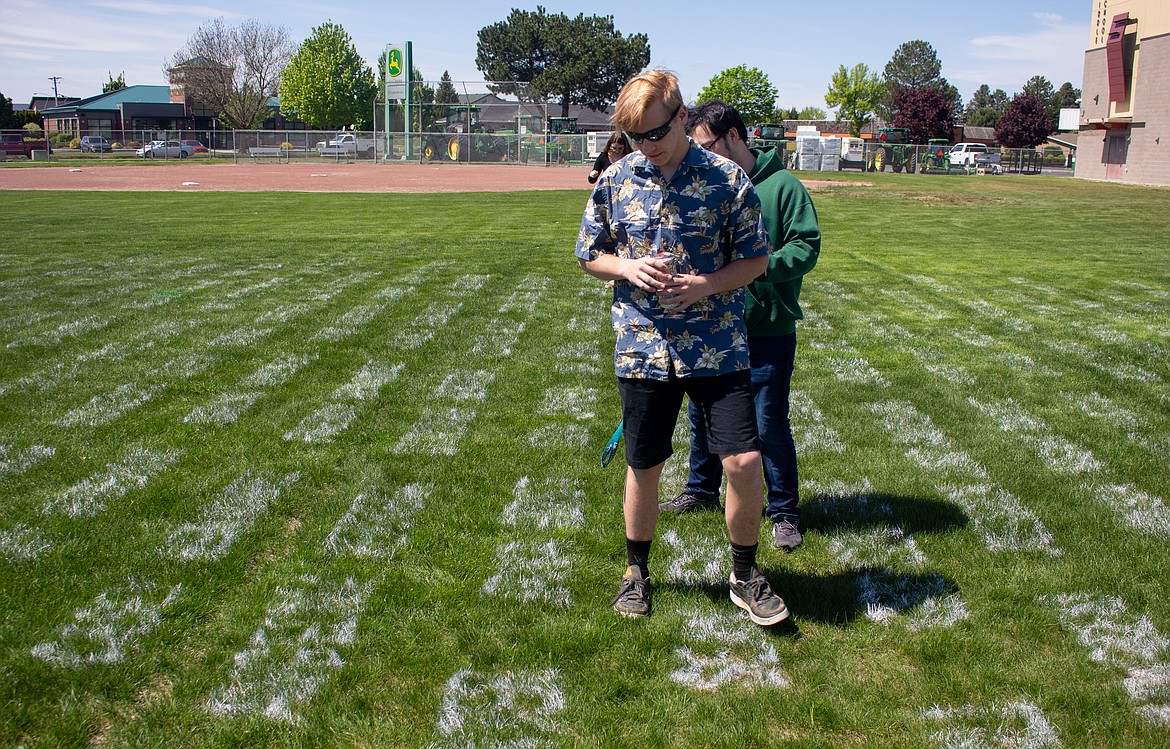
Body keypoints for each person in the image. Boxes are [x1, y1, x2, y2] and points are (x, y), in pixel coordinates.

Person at [575, 70, 789, 626]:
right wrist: (627, 266)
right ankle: (635, 574)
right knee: (644, 465)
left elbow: (757, 259)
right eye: (635, 137)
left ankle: (745, 574)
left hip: (716, 346)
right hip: (644, 347)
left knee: (743, 461)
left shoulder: (726, 180)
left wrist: (706, 284)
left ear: (681, 117)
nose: (646, 146)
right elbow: (588, 254)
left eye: (654, 134)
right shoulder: (618, 179)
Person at [660, 100, 821, 554]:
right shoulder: (708, 183)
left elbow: (806, 246)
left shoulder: (783, 187)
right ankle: (700, 488)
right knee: (702, 415)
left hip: (764, 328)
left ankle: (785, 512)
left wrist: (757, 268)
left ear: (733, 136)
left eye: (707, 144)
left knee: (768, 422)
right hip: (712, 327)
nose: (702, 154)